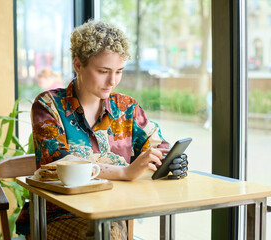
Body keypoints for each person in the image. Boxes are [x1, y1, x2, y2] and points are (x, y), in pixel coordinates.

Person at [22, 20, 188, 240]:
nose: (113, 81)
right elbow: (60, 161)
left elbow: (158, 146)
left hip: (112, 213)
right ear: (78, 65)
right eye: (103, 71)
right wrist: (125, 172)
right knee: (105, 235)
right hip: (58, 217)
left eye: (119, 71)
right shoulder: (48, 105)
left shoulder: (127, 108)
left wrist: (170, 160)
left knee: (108, 232)